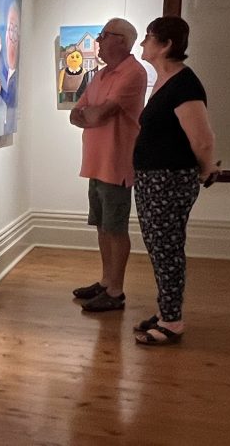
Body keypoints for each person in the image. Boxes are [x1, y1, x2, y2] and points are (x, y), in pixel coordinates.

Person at [131, 16, 219, 345]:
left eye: (148, 38)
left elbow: (202, 138)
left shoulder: (184, 85)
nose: (142, 44)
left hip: (168, 180)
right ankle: (166, 310)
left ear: (166, 45)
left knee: (166, 248)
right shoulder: (166, 81)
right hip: (155, 178)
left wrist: (207, 167)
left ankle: (172, 321)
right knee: (159, 247)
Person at [68, 18, 147, 312]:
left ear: (122, 41)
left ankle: (116, 291)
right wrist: (88, 114)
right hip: (95, 162)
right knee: (102, 225)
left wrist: (90, 114)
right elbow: (77, 113)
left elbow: (100, 114)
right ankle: (105, 281)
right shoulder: (100, 76)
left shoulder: (134, 73)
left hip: (116, 162)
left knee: (115, 228)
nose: (99, 41)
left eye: (104, 36)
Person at [0, 0, 20, 135]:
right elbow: (3, 69)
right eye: (10, 30)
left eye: (16, 31)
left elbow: (10, 100)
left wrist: (0, 90)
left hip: (8, 124)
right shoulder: (10, 72)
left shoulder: (15, 78)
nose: (12, 38)